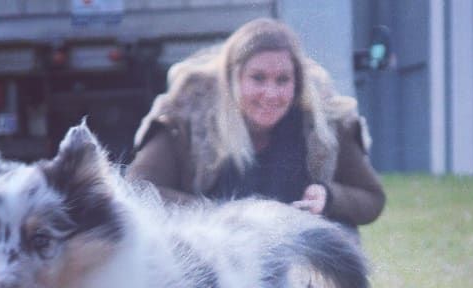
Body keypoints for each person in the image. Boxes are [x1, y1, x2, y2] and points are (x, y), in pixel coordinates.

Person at [126, 17, 385, 232]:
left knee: (342, 233)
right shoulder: (186, 115)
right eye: (258, 78)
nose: (270, 94)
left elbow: (372, 197)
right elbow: (137, 190)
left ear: (298, 85)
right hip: (214, 255)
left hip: (301, 254)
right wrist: (218, 214)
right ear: (232, 79)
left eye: (282, 80)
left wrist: (328, 197)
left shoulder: (324, 121)